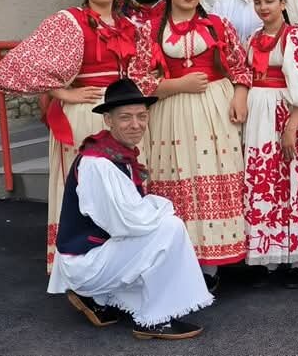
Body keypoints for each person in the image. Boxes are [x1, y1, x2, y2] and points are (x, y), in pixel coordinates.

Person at [0, 0, 154, 273]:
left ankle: (124, 259)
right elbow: (20, 65)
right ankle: (80, 261)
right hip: (86, 112)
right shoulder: (68, 21)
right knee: (85, 185)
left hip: (125, 111)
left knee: (125, 182)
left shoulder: (130, 25)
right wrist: (63, 92)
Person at [48, 79, 210, 340]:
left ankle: (97, 297)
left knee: (161, 231)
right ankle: (155, 319)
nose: (136, 124)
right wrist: (165, 207)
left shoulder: (114, 151)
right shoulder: (99, 163)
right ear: (108, 120)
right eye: (125, 117)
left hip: (94, 254)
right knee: (170, 228)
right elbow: (127, 223)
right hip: (85, 264)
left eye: (141, 116)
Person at [145, 0, 252, 293]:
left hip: (215, 108)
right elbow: (138, 78)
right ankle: (182, 258)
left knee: (214, 173)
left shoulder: (218, 25)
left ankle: (211, 264)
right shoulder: (149, 29)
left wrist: (240, 96)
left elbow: (240, 66)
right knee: (178, 177)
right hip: (171, 110)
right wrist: (177, 85)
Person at [242, 0, 298, 287]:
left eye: (269, 1)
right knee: (264, 181)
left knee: (293, 180)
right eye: (258, 2)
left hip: (288, 113)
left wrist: (291, 126)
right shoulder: (253, 38)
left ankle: (296, 259)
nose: (263, 7)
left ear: (282, 3)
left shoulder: (296, 37)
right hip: (259, 115)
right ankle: (268, 256)